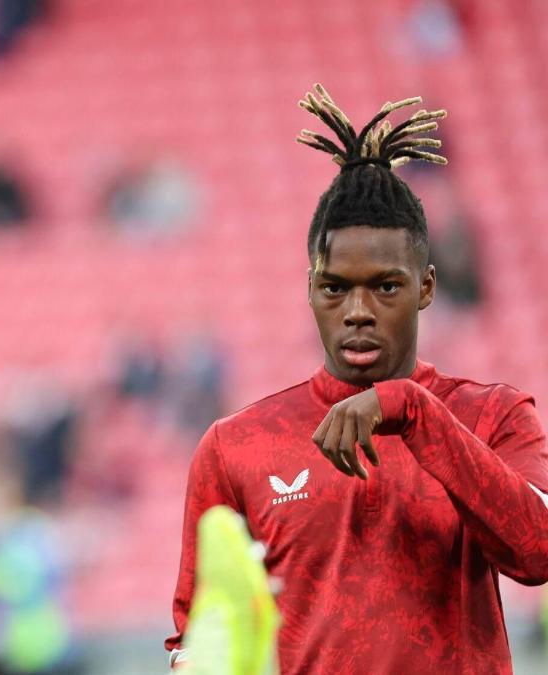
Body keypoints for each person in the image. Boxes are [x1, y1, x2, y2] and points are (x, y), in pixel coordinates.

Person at [166, 85, 548, 673]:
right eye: (335, 287)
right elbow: (197, 636)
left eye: (386, 286)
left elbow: (539, 550)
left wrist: (411, 409)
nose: (358, 310)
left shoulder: (495, 415)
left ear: (425, 287)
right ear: (311, 291)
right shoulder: (235, 447)